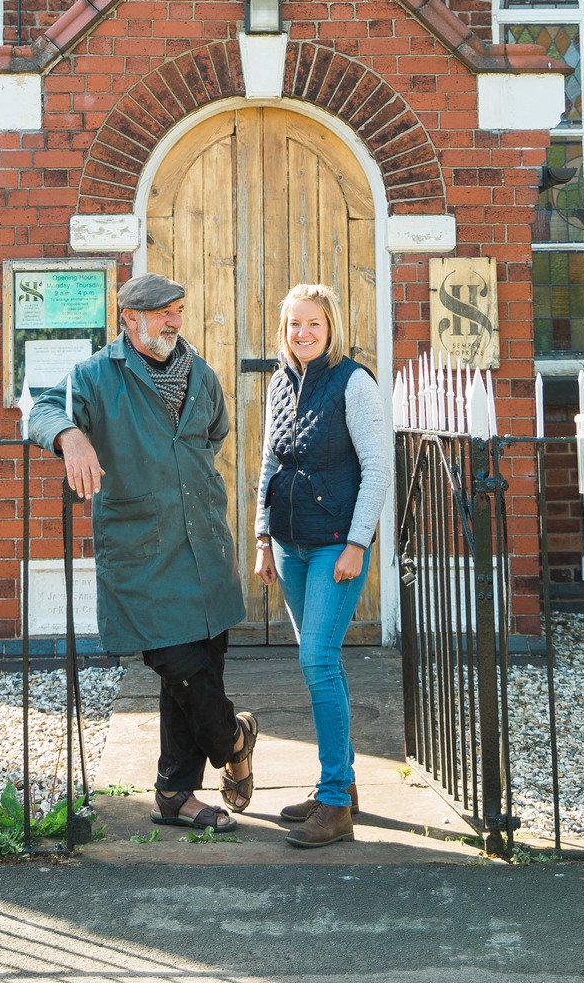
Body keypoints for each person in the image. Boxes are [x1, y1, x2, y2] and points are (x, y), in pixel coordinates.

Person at [28, 271, 258, 833]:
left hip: (203, 542)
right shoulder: (96, 376)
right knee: (180, 668)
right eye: (161, 312)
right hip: (142, 550)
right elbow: (40, 411)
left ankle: (175, 795)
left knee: (199, 671)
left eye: (178, 310)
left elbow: (214, 435)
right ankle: (235, 738)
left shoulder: (201, 376)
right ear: (128, 319)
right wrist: (72, 437)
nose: (174, 321)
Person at [254, 282, 392, 848]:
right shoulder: (280, 383)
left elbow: (378, 468)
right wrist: (263, 536)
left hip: (338, 545)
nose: (303, 334)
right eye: (293, 325)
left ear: (330, 326)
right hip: (290, 545)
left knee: (317, 659)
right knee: (318, 666)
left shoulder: (353, 383)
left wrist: (359, 542)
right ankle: (341, 784)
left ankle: (334, 804)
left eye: (313, 324)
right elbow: (267, 460)